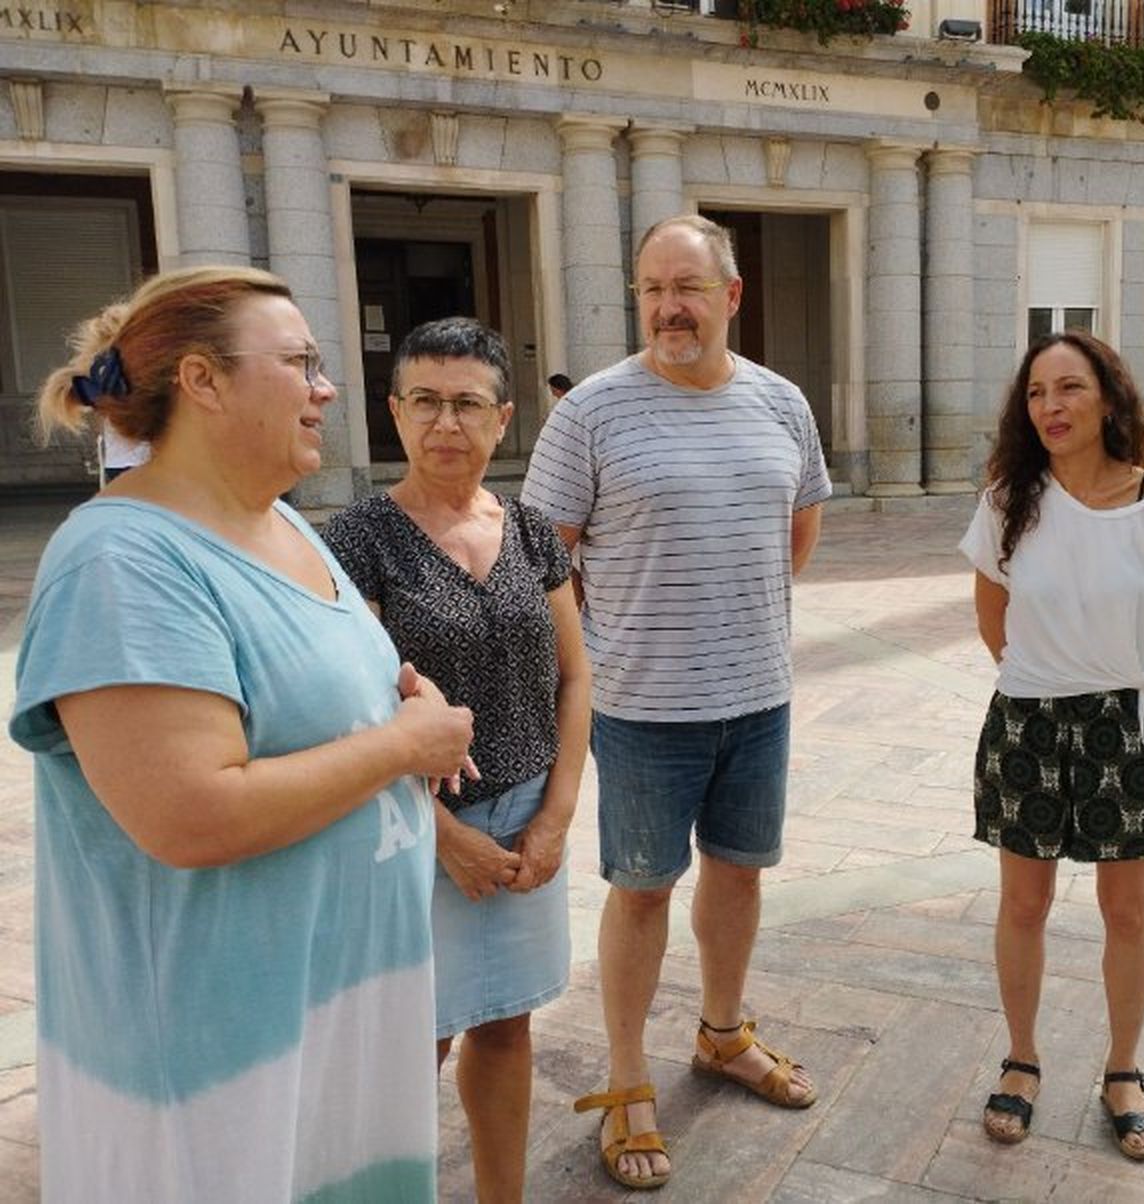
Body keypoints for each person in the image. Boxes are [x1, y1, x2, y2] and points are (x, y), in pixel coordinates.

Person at [9, 266, 476, 1200]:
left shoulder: (287, 527)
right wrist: (403, 746)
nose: (326, 388)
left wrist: (399, 713)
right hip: (215, 1086)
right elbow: (194, 814)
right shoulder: (122, 562)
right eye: (300, 361)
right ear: (203, 381)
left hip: (337, 1047)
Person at [521, 214, 831, 1190]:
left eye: (687, 288)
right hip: (643, 710)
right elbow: (544, 562)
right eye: (652, 289)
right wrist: (610, 653)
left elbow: (797, 528)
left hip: (759, 699)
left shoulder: (781, 402)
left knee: (738, 875)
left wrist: (732, 622)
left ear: (730, 296)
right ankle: (626, 1077)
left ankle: (722, 1034)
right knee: (643, 888)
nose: (668, 308)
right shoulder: (591, 413)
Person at [322, 318, 590, 1204]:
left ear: (503, 418)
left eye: (468, 404)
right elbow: (351, 717)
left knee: (506, 1024)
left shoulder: (531, 532)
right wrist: (445, 838)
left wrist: (556, 817)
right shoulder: (358, 541)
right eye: (426, 402)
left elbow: (575, 676)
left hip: (526, 824)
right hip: (408, 830)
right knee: (416, 1038)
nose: (447, 423)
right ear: (395, 412)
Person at [960, 331, 1144, 1160]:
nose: (1051, 406)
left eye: (1069, 387)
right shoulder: (1008, 499)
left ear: (1108, 397)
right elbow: (992, 619)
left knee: (1127, 910)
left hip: (1125, 723)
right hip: (1027, 719)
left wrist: (1106, 678)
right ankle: (1021, 1059)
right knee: (1024, 904)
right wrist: (1048, 678)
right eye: (1036, 393)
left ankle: (1124, 1071)